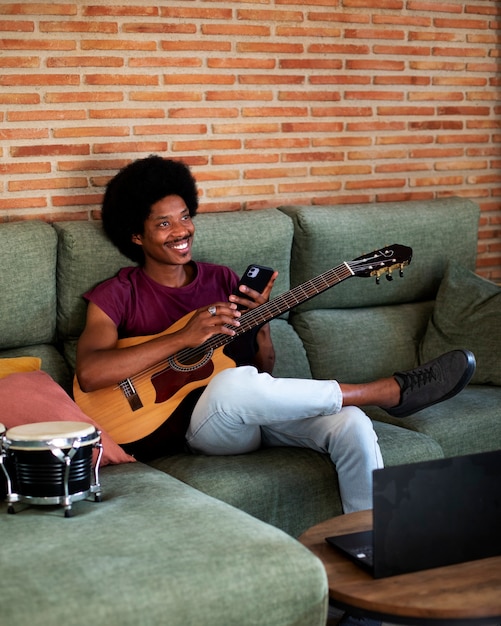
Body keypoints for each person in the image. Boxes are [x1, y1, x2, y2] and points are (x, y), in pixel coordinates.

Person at [76, 156, 475, 626]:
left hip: (254, 408)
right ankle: (385, 391)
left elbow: (263, 369)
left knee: (350, 424)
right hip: (194, 428)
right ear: (136, 236)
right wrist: (183, 338)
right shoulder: (118, 293)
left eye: (185, 217)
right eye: (163, 223)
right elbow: (90, 373)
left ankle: (372, 585)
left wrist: (261, 324)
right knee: (229, 384)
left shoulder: (222, 280)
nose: (180, 230)